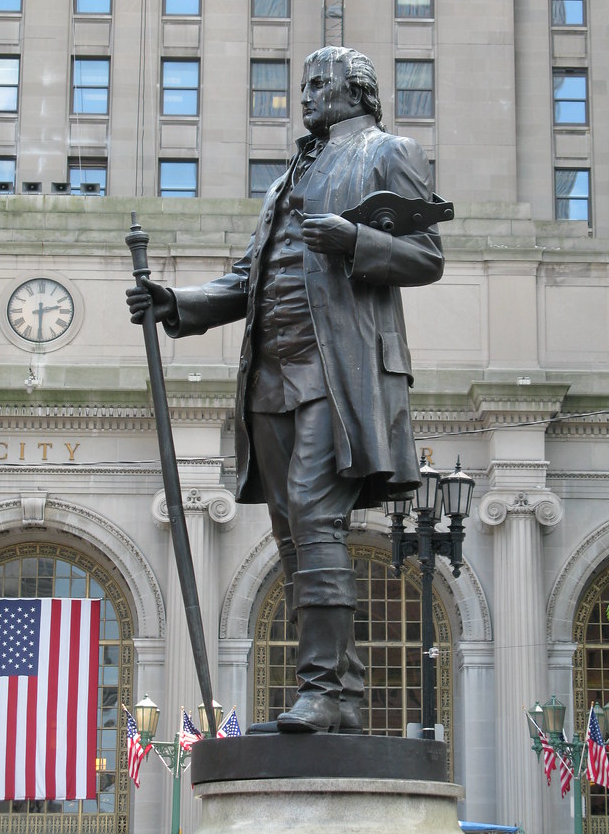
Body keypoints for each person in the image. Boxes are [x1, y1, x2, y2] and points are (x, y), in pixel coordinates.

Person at [127, 46, 445, 733]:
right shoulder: (282, 186)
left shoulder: (390, 152)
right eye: (302, 86)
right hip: (271, 380)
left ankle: (326, 690)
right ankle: (336, 694)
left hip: (338, 374)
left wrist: (356, 239)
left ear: (357, 91)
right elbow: (247, 279)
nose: (304, 96)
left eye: (318, 85)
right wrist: (174, 302)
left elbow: (427, 257)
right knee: (292, 537)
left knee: (314, 517)